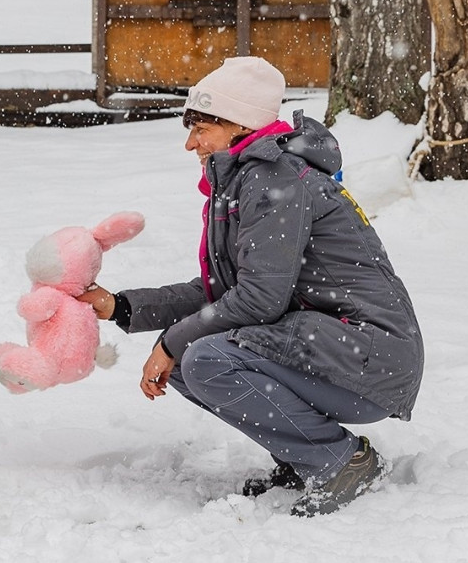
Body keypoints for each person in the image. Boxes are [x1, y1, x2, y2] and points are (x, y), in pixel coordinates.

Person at [78, 56, 424, 516]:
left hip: (370, 355)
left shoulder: (274, 178)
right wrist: (121, 306)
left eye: (201, 128)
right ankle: (306, 457)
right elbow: (226, 289)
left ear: (239, 125)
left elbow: (259, 298)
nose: (190, 143)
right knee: (189, 356)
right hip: (335, 346)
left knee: (203, 357)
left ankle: (341, 462)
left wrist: (172, 340)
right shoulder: (250, 178)